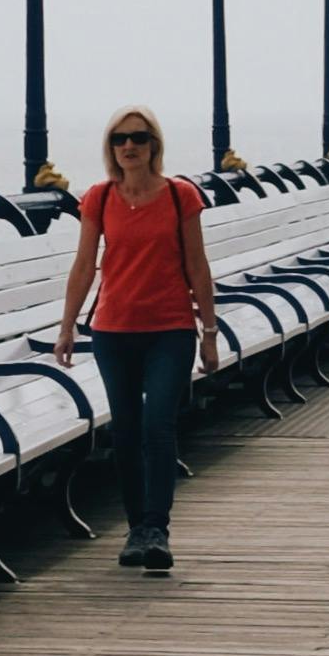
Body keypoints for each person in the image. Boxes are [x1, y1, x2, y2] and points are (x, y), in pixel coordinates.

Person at [53, 104, 218, 573]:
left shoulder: (179, 195)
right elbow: (84, 265)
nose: (128, 146)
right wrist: (66, 327)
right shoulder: (99, 199)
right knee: (125, 430)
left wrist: (209, 331)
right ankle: (135, 531)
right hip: (112, 330)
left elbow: (197, 265)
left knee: (158, 426)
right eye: (119, 139)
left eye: (138, 138)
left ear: (154, 146)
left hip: (170, 328)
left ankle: (156, 529)